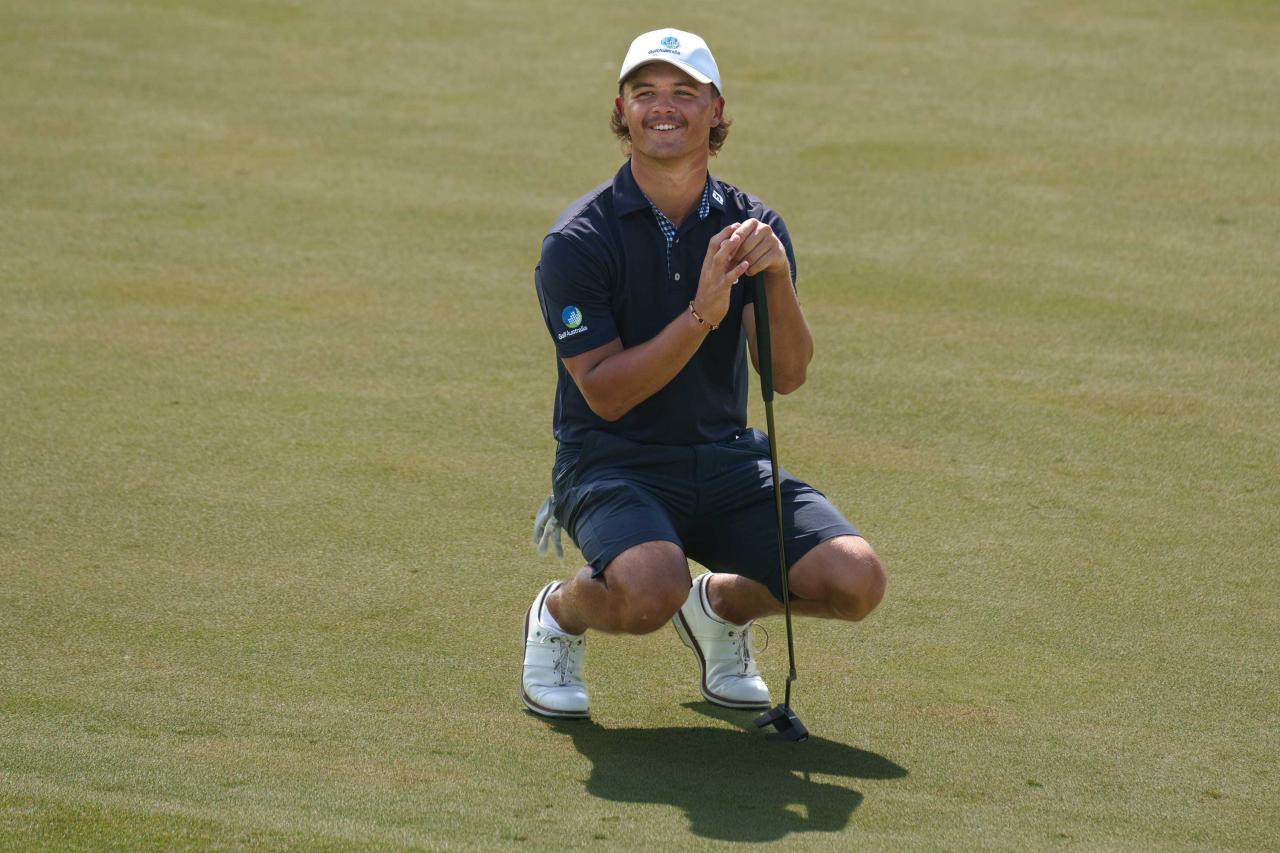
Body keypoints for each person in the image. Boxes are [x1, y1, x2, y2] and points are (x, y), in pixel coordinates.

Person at [522, 28, 886, 719]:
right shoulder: (577, 241)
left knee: (856, 580)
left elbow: (787, 375)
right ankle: (560, 613)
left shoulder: (753, 225)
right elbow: (603, 391)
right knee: (648, 591)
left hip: (725, 463)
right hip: (611, 464)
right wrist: (700, 314)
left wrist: (775, 277)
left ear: (716, 110)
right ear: (622, 110)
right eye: (646, 93)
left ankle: (719, 605)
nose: (665, 107)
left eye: (684, 93)